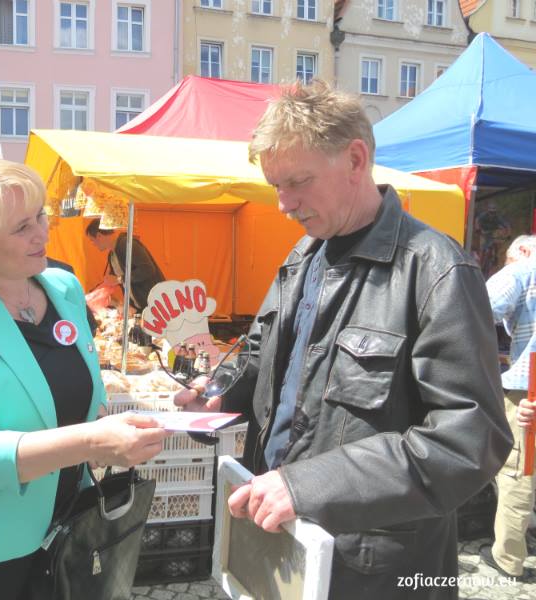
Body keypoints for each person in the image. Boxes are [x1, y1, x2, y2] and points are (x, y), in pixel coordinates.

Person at [174, 81, 512, 599]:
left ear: (355, 158)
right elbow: (267, 355)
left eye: (298, 181)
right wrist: (221, 394)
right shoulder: (304, 256)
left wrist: (309, 485)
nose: (284, 204)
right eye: (275, 186)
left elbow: (470, 441)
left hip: (377, 568)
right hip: (285, 540)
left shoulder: (436, 270)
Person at [0, 159, 169, 600]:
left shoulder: (62, 287)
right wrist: (93, 441)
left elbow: (83, 378)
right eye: (22, 227)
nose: (42, 233)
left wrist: (97, 414)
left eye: (41, 216)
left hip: (65, 524)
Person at [480, 234, 536, 579]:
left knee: (518, 469)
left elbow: (475, 308)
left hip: (528, 387)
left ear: (524, 251)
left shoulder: (522, 270)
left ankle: (508, 558)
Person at [85, 218, 165, 312]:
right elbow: (113, 280)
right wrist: (93, 294)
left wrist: (119, 279)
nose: (93, 244)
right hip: (139, 307)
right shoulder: (112, 255)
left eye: (92, 240)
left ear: (99, 236)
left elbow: (147, 269)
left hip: (156, 305)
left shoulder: (127, 244)